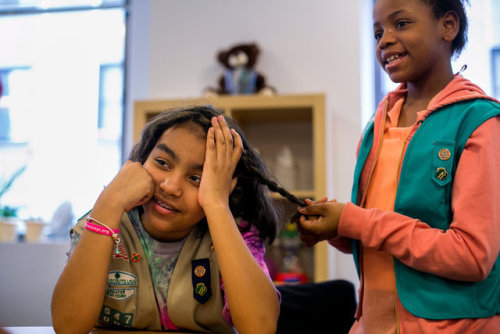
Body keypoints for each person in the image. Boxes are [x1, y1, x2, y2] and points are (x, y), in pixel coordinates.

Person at [297, 0, 500, 333]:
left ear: (448, 26)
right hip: (373, 322)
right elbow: (379, 234)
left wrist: (355, 220)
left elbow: (472, 256)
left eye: (401, 24)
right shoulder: (377, 127)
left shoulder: (479, 122)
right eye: (378, 32)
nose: (384, 40)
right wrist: (339, 229)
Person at [51, 105, 304, 334]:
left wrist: (216, 204)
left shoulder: (237, 232)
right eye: (162, 163)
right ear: (141, 161)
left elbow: (259, 328)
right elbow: (68, 326)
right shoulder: (101, 220)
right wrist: (107, 204)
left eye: (196, 178)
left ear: (227, 188)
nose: (171, 186)